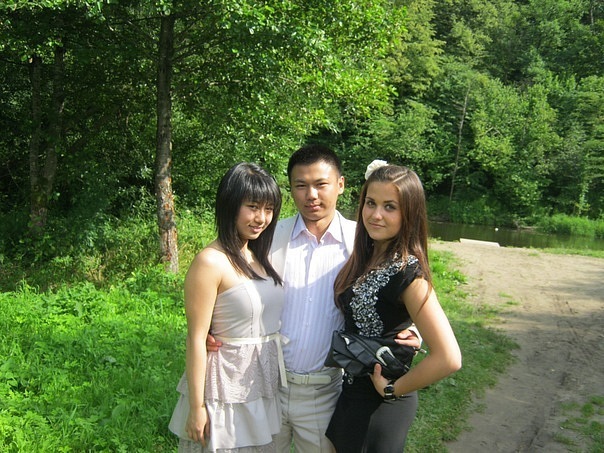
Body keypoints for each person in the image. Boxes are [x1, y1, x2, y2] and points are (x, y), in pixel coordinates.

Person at [208, 145, 421, 452]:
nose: (312, 195)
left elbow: (398, 285)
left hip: (326, 392)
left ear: (341, 184)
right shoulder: (267, 237)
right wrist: (211, 328)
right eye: (301, 185)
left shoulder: (363, 241)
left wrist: (412, 329)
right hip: (265, 386)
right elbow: (228, 281)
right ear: (290, 188)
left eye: (321, 184)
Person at [325, 161, 462, 452]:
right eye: (371, 203)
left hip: (381, 405)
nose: (376, 215)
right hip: (351, 395)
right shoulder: (367, 256)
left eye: (390, 207)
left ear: (409, 214)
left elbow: (449, 357)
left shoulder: (408, 274)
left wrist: (392, 388)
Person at [169, 162, 285, 452]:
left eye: (269, 209)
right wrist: (197, 407)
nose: (261, 218)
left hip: (259, 383)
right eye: (252, 207)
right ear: (230, 205)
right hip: (224, 388)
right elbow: (196, 338)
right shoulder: (210, 261)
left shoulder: (257, 255)